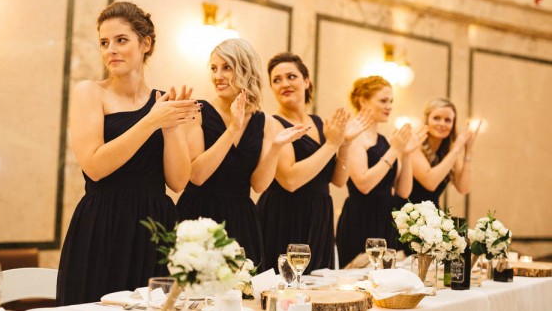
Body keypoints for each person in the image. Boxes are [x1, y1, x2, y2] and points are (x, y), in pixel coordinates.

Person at [57, 1, 200, 305]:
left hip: (156, 226)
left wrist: (172, 128)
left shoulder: (163, 102)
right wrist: (151, 121)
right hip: (103, 222)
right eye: (104, 43)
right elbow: (94, 166)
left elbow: (177, 182)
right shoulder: (90, 92)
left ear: (145, 44)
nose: (111, 50)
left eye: (121, 40)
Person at [176, 39, 308, 267]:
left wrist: (275, 148)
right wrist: (233, 129)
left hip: (242, 219)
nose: (218, 76)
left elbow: (259, 185)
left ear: (246, 69)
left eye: (227, 67)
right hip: (199, 216)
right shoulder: (197, 111)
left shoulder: (265, 122)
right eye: (214, 68)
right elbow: (196, 175)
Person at [257, 52, 371, 273]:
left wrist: (345, 143)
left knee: (318, 290)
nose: (284, 84)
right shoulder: (272, 123)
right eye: (276, 80)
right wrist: (331, 145)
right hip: (285, 215)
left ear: (306, 82)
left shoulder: (319, 122)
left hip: (320, 214)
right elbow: (290, 180)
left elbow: (338, 180)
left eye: (291, 76)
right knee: (286, 290)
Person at [336, 75, 425, 268]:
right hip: (360, 219)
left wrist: (406, 154)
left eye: (391, 101)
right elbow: (364, 184)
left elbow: (403, 192)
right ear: (363, 101)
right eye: (383, 100)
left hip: (386, 218)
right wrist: (395, 150)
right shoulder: (354, 137)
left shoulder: (385, 140)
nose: (389, 106)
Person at [409, 97, 480, 207]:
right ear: (427, 120)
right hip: (405, 215)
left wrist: (468, 151)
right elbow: (430, 183)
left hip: (432, 217)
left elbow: (464, 188)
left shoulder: (449, 152)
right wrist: (456, 148)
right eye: (436, 118)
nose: (442, 124)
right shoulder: (414, 146)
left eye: (448, 120)